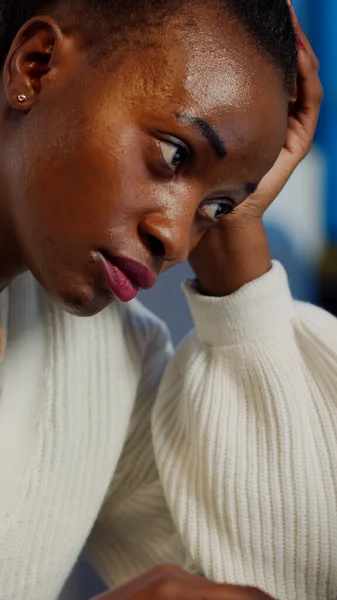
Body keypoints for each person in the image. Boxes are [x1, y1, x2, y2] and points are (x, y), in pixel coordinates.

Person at [0, 0, 326, 599]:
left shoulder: (106, 365)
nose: (176, 239)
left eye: (214, 208)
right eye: (175, 154)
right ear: (36, 65)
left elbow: (285, 577)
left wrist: (237, 237)